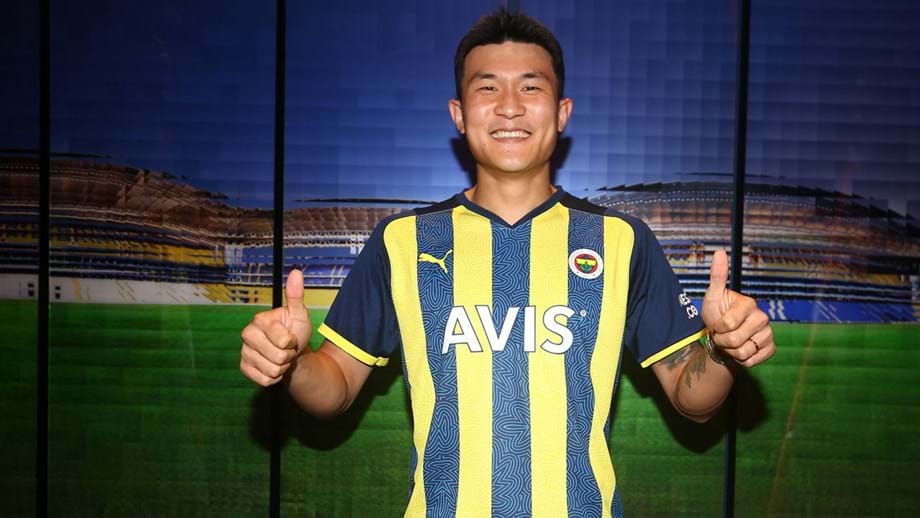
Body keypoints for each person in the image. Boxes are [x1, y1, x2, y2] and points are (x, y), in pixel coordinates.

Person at [240, 7, 775, 517]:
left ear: (562, 112)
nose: (510, 106)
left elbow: (693, 398)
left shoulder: (621, 240)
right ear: (459, 113)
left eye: (531, 87)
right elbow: (333, 389)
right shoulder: (402, 241)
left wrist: (722, 350)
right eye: (488, 87)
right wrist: (294, 362)